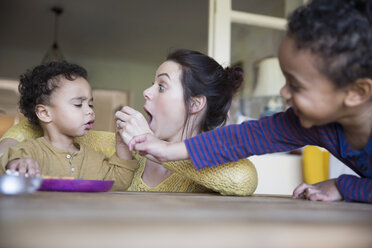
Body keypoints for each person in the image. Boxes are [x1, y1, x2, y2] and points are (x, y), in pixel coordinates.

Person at [126, 0, 372, 203]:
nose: (283, 92)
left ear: (356, 93)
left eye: (295, 85)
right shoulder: (308, 122)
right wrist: (166, 150)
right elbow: (242, 138)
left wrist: (343, 185)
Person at [0, 50, 258, 196]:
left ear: (194, 104)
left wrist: (157, 150)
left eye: (161, 85)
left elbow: (242, 179)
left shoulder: (213, 165)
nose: (146, 91)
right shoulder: (122, 148)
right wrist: (12, 153)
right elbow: (35, 130)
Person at [0, 61, 138, 191]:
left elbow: (120, 181)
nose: (90, 111)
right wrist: (19, 164)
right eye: (78, 104)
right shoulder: (29, 151)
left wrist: (122, 145)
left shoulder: (94, 158)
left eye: (90, 105)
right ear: (44, 113)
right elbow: (11, 162)